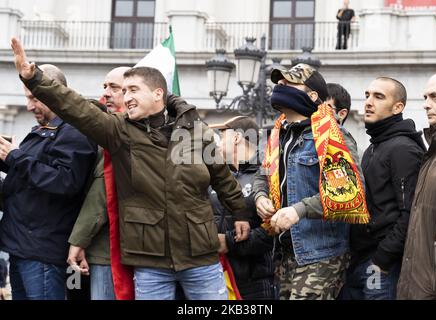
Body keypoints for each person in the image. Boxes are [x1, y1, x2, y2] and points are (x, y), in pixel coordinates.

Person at [11, 37, 250, 300]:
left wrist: (240, 213)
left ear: (158, 93)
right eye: (124, 91)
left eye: (133, 90)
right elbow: (76, 107)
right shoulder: (119, 131)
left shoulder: (196, 132)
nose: (127, 97)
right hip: (150, 262)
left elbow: (222, 177)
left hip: (201, 257)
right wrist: (34, 79)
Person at [254, 63, 362, 300]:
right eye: (279, 83)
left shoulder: (333, 136)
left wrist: (298, 210)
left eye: (289, 83)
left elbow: (347, 192)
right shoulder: (278, 135)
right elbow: (263, 173)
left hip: (320, 252)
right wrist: (260, 196)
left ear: (312, 95)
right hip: (284, 252)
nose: (280, 86)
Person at [0, 64, 98, 300]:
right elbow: (29, 175)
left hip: (43, 251)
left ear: (54, 91)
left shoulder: (75, 130)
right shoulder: (45, 128)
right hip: (22, 246)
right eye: (27, 98)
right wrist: (7, 157)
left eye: (35, 97)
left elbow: (65, 181)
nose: (29, 106)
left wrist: (15, 156)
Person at [340, 77, 426, 300]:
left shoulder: (402, 149)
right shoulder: (375, 146)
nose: (368, 101)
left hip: (381, 264)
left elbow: (411, 212)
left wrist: (382, 258)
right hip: (362, 260)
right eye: (367, 95)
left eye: (379, 97)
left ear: (398, 107)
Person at [67, 67, 130, 300]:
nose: (106, 93)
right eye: (105, 87)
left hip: (108, 252)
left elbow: (100, 195)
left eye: (115, 87)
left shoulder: (121, 138)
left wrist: (78, 240)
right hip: (93, 249)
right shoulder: (102, 136)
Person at [209, 116, 277, 300]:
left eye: (222, 137)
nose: (217, 143)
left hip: (254, 281)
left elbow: (273, 233)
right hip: (216, 276)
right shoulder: (217, 177)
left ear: (237, 138)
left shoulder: (267, 175)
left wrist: (228, 242)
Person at [397, 71, 436, 300]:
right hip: (416, 284)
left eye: (435, 97)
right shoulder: (434, 149)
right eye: (425, 98)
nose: (427, 105)